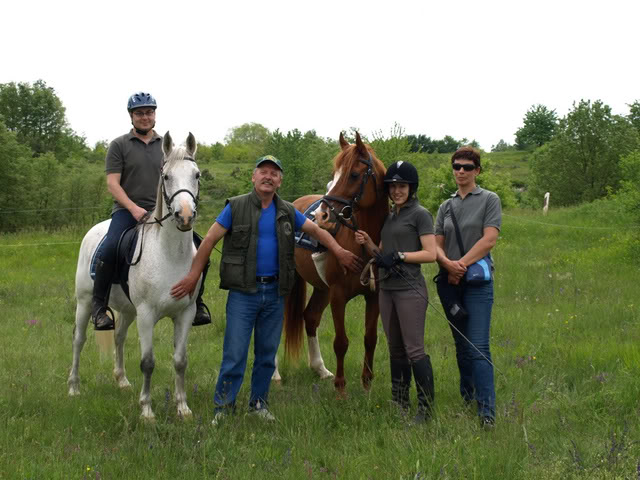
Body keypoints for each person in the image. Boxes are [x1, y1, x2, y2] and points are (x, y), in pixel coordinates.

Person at [170, 155, 363, 422]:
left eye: (274, 173)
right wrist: (193, 276)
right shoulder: (235, 207)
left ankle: (258, 405)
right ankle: (223, 409)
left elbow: (318, 232)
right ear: (254, 177)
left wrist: (339, 251)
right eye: (263, 172)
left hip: (274, 294)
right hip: (242, 294)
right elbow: (209, 240)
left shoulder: (287, 211)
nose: (268, 176)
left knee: (265, 356)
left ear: (279, 181)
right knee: (234, 356)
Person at [91, 92, 211, 331]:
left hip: (162, 213)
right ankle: (99, 307)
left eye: (149, 112)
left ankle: (197, 302)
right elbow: (113, 183)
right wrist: (134, 209)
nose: (144, 117)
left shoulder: (166, 147)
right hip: (128, 211)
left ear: (154, 115)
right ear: (131, 117)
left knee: (200, 250)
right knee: (111, 246)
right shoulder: (119, 145)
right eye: (139, 113)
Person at [355, 161, 437, 424]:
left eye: (402, 186)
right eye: (392, 186)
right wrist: (368, 243)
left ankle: (425, 409)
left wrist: (400, 256)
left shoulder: (420, 215)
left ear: (411, 188)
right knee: (395, 349)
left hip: (410, 289)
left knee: (414, 350)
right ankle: (399, 401)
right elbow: (381, 255)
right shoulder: (390, 217)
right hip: (386, 289)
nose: (397, 191)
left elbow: (430, 253)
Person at [434, 146, 501, 427]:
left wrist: (458, 264)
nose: (461, 171)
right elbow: (435, 244)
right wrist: (448, 266)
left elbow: (489, 240)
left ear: (478, 171)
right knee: (461, 346)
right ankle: (467, 397)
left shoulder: (489, 199)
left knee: (478, 346)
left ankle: (487, 412)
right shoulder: (444, 206)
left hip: (476, 282)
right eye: (457, 166)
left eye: (467, 167)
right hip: (451, 283)